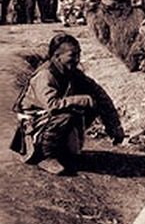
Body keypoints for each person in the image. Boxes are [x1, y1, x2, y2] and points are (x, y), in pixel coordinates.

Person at [10, 33, 125, 174]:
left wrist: (114, 127)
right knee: (66, 114)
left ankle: (63, 151)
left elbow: (101, 97)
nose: (77, 59)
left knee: (92, 104)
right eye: (72, 55)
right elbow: (52, 105)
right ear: (57, 56)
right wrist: (80, 100)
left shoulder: (73, 73)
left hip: (50, 120)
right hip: (34, 127)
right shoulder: (45, 75)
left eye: (78, 55)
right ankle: (46, 156)